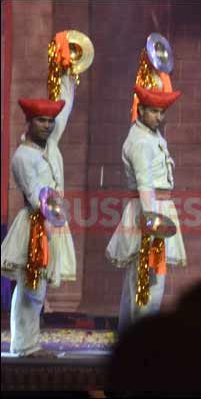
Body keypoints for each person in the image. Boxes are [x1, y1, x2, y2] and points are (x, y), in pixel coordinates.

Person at [0, 73, 77, 357]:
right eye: (41, 121)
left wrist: (68, 76)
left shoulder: (51, 145)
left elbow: (64, 111)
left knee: (39, 288)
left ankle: (27, 343)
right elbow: (36, 197)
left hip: (51, 223)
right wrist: (53, 211)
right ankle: (24, 345)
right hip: (35, 224)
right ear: (29, 122)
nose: (47, 125)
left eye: (49, 121)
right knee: (30, 286)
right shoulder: (23, 156)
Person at [105, 85, 185, 334]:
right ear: (140, 110)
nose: (159, 117)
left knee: (140, 285)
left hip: (157, 208)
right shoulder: (140, 141)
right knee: (147, 284)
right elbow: (145, 183)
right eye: (153, 111)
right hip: (149, 212)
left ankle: (130, 340)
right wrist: (152, 221)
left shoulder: (152, 136)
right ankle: (142, 342)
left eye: (162, 112)